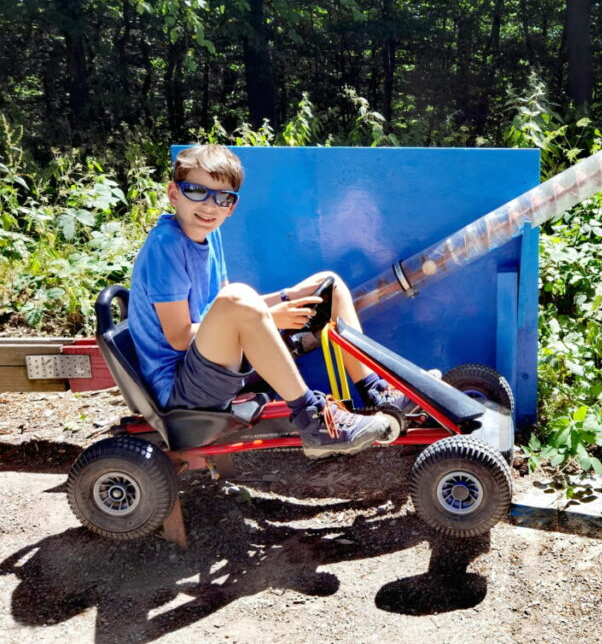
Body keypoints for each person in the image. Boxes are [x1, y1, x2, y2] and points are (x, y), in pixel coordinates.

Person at [128, 143, 411, 456]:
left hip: (211, 362)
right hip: (182, 388)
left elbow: (223, 310)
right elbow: (180, 338)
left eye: (222, 197)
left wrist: (289, 296)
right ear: (173, 194)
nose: (209, 205)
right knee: (238, 295)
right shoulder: (166, 246)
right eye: (196, 191)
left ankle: (373, 391)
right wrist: (272, 317)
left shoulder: (210, 235)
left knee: (328, 284)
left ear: (231, 207)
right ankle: (313, 419)